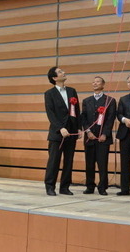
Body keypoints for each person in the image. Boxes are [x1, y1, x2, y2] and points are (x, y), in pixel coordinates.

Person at [43, 67, 81, 196]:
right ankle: (50, 186)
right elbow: (51, 114)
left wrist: (78, 127)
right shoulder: (49, 94)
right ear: (54, 78)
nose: (63, 72)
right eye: (60, 72)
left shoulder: (72, 91)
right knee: (54, 161)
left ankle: (65, 187)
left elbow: (77, 110)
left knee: (68, 161)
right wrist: (60, 128)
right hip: (57, 133)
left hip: (71, 132)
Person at [81, 76, 116, 195]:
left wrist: (105, 134)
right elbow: (83, 118)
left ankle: (102, 187)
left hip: (103, 138)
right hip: (90, 137)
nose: (95, 83)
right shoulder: (86, 101)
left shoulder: (110, 100)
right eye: (93, 82)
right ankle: (90, 186)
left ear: (103, 84)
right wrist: (88, 132)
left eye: (97, 82)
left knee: (102, 163)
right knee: (89, 163)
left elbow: (110, 119)